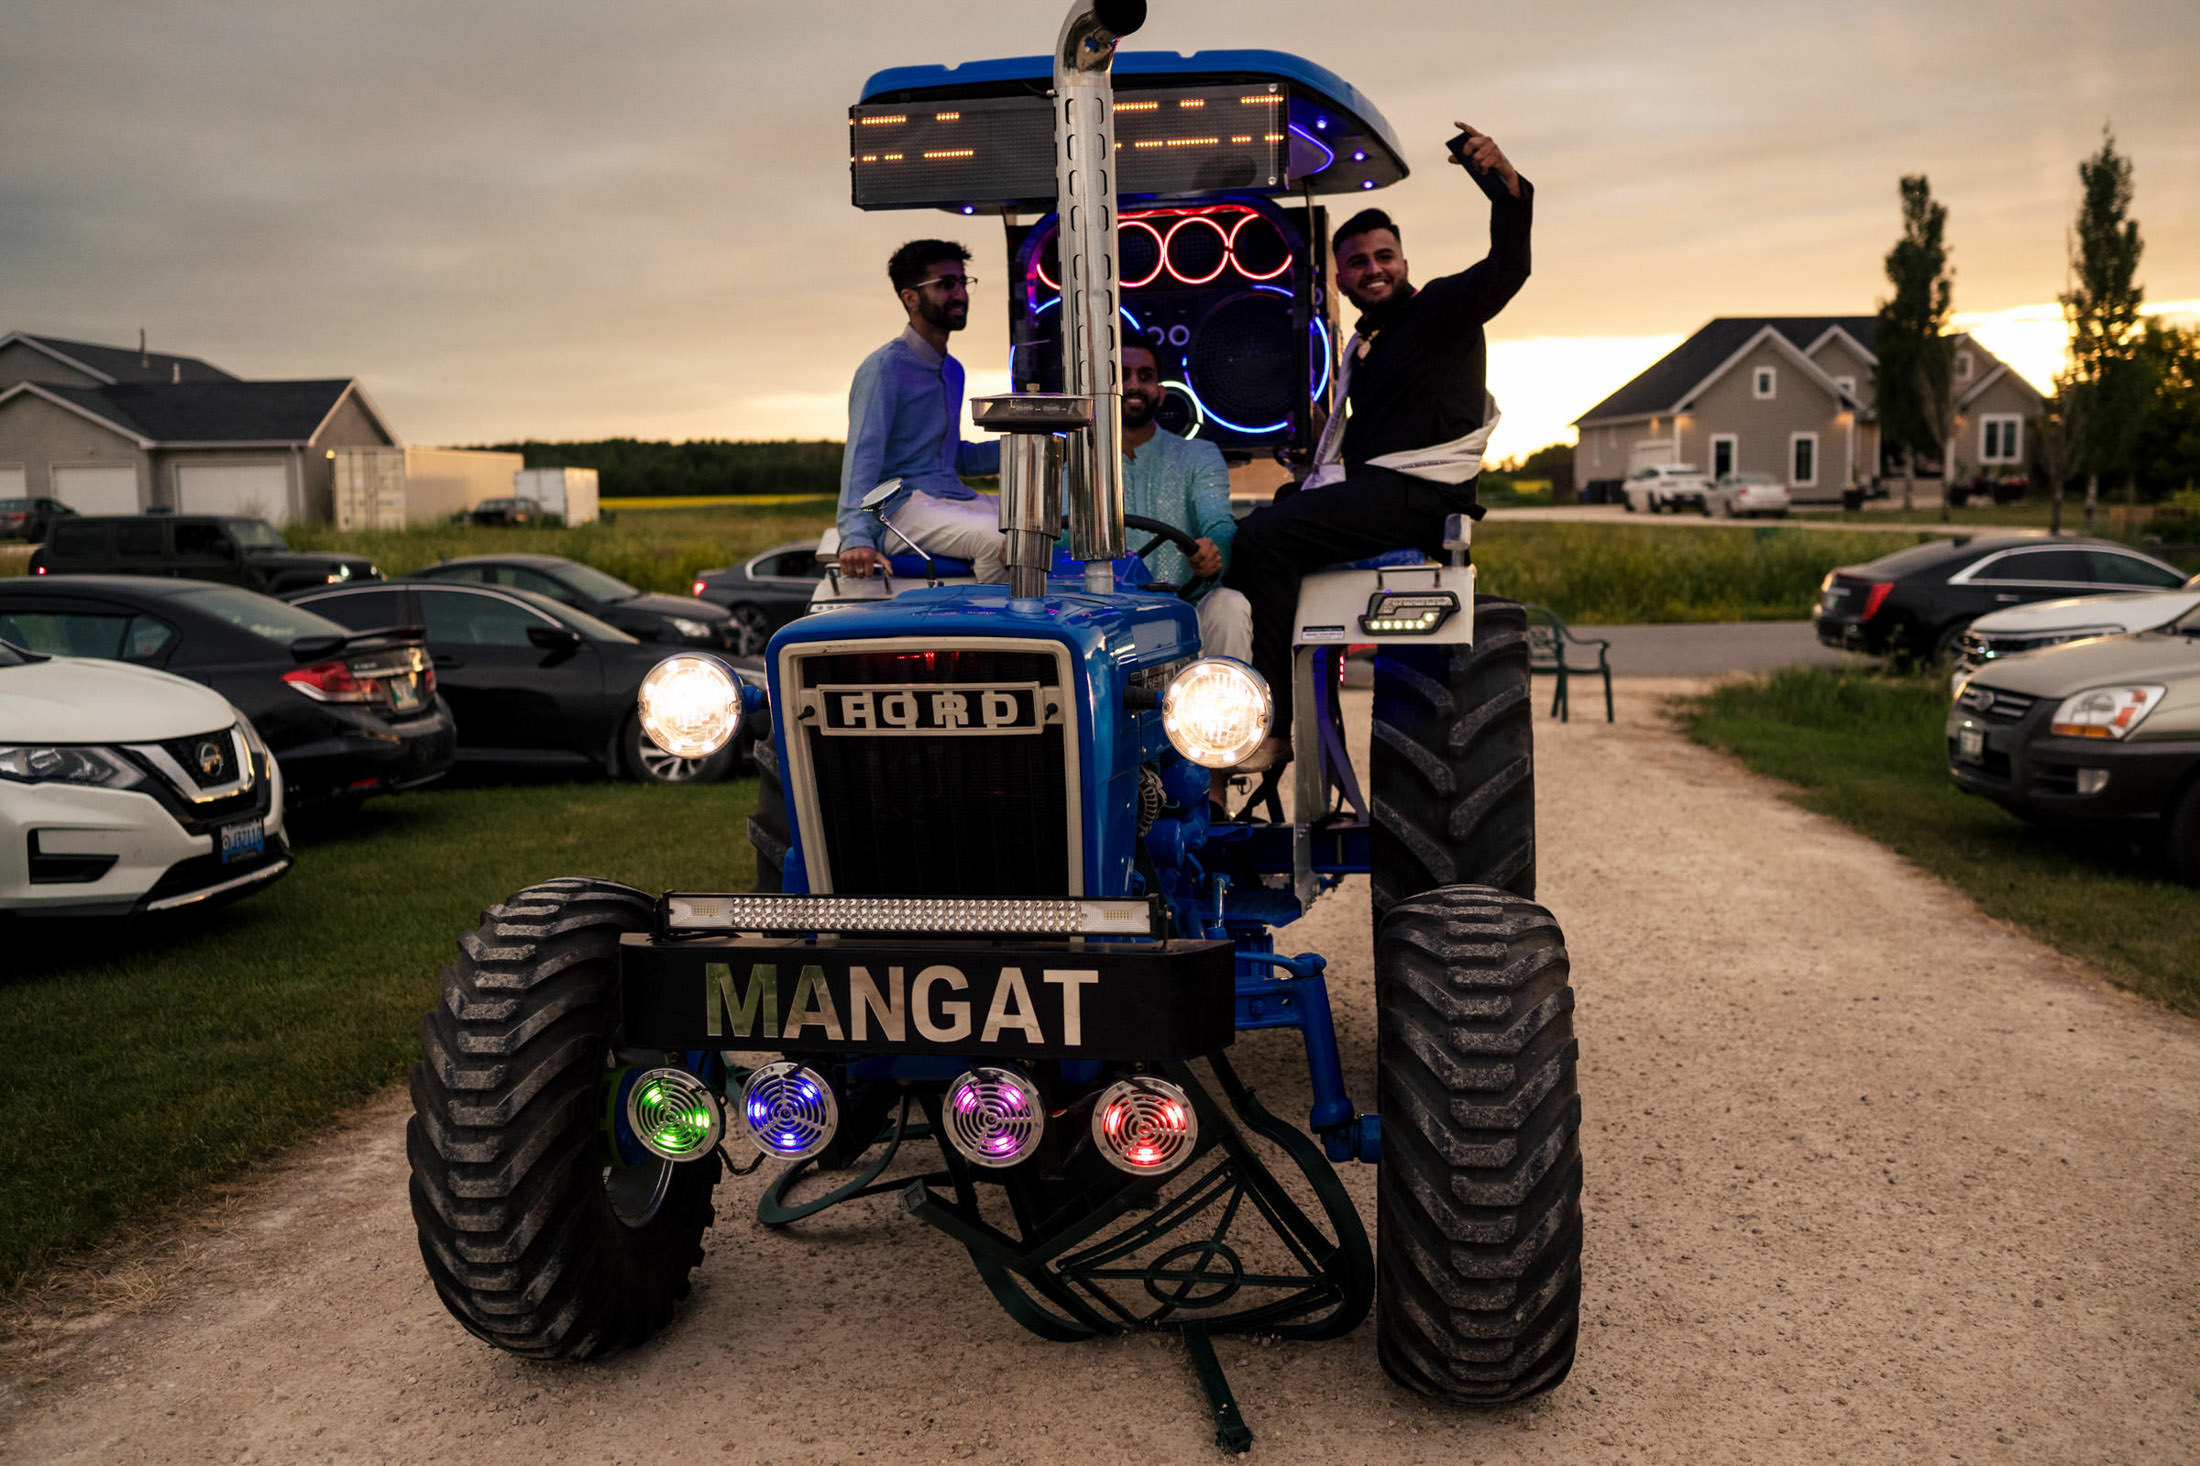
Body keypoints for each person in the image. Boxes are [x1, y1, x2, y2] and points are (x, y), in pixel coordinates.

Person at [1223, 122, 1532, 767]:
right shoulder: (1365, 347)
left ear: (1404, 262)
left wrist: (1504, 185)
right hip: (1378, 492)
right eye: (1358, 262)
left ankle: (1273, 722)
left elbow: (1509, 267)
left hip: (1419, 495)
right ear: (1339, 278)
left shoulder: (1441, 310)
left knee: (1261, 539)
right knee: (1264, 518)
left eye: (1384, 257)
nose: (1373, 270)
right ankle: (1276, 686)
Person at [835, 240, 1005, 582]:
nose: (960, 294)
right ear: (910, 298)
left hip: (949, 499)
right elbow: (861, 458)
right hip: (903, 509)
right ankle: (999, 628)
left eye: (962, 281)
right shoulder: (884, 367)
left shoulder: (952, 370)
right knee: (999, 539)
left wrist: (1043, 448)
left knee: (1046, 522)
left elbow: (950, 459)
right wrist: (855, 538)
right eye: (945, 284)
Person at [1111, 343, 1251, 661]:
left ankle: (1227, 710)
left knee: (1229, 605)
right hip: (1105, 625)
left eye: (1144, 376)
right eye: (1122, 375)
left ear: (1160, 391)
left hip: (1183, 616)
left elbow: (1218, 524)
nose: (1133, 384)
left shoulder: (1198, 455)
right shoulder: (1077, 462)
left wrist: (1215, 553)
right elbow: (1060, 539)